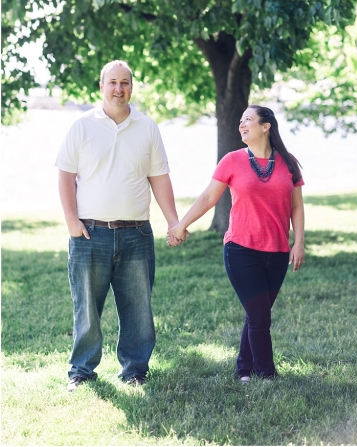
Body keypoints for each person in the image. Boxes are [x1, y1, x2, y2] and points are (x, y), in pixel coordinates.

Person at [56, 60, 183, 391]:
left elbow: (159, 177)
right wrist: (72, 221)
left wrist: (173, 221)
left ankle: (135, 370)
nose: (118, 89)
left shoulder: (147, 128)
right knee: (87, 308)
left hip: (136, 234)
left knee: (138, 308)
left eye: (124, 82)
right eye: (112, 82)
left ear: (131, 87)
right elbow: (65, 175)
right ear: (101, 87)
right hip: (89, 232)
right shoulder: (82, 126)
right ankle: (81, 371)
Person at [168, 104, 305, 382]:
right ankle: (266, 374)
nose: (241, 124)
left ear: (266, 126)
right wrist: (181, 225)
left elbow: (297, 208)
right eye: (240, 120)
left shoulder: (288, 162)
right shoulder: (232, 160)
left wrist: (299, 242)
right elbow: (208, 198)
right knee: (259, 316)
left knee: (258, 313)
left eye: (248, 120)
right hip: (241, 249)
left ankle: (244, 369)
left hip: (277, 252)